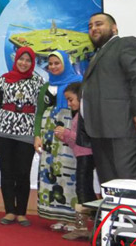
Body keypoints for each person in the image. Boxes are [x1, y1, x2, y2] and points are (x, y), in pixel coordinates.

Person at [82, 12, 136, 183]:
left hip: (124, 129)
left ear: (114, 28)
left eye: (99, 24)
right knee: (109, 187)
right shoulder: (98, 54)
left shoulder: (126, 44)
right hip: (100, 131)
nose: (93, 28)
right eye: (90, 26)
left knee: (129, 186)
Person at [0, 46, 45, 227]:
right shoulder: (3, 80)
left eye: (28, 60)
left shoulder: (38, 81)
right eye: (21, 59)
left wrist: (39, 133)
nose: (24, 63)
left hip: (27, 131)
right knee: (6, 172)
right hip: (3, 129)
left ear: (32, 63)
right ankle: (9, 211)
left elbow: (40, 110)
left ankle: (21, 213)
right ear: (16, 59)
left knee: (22, 172)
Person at [34, 50, 82, 230]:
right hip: (49, 138)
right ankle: (59, 216)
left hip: (70, 135)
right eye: (50, 64)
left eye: (57, 63)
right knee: (51, 173)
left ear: (66, 64)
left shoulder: (78, 83)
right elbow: (39, 114)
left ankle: (73, 219)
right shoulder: (46, 87)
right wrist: (37, 136)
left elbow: (82, 111)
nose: (53, 67)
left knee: (69, 174)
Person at [55, 82, 96, 241]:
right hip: (83, 155)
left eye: (71, 99)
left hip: (86, 156)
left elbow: (85, 139)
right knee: (85, 191)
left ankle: (84, 227)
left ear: (80, 97)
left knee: (83, 191)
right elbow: (76, 142)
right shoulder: (79, 115)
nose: (69, 104)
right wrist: (65, 137)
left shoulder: (84, 115)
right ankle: (91, 226)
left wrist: (66, 133)